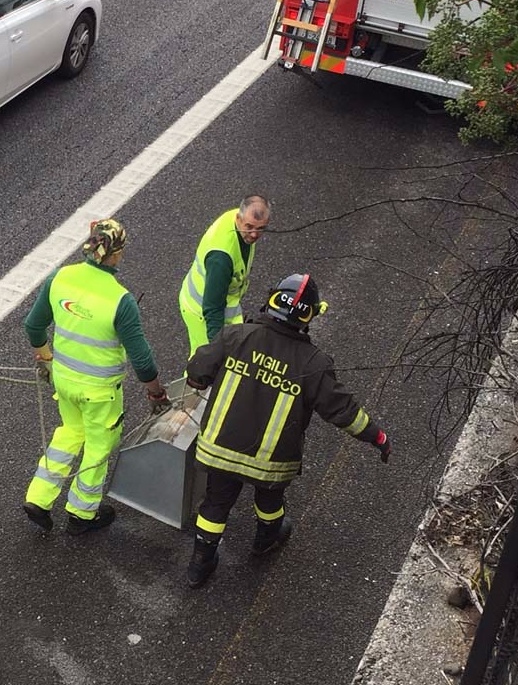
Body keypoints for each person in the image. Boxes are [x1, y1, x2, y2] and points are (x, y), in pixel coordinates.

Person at [183, 273, 392, 588]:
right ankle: (267, 537)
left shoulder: (236, 335)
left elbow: (197, 374)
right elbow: (344, 412)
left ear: (270, 302)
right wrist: (378, 437)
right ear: (308, 317)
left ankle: (200, 564)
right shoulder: (314, 363)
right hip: (271, 463)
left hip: (219, 450)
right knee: (269, 501)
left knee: (215, 503)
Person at [23, 218, 167, 535]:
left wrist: (45, 358)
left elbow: (33, 326)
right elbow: (142, 361)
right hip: (100, 393)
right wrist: (156, 392)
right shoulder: (120, 300)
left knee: (70, 433)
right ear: (117, 253)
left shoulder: (61, 278)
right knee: (99, 446)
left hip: (64, 381)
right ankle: (82, 512)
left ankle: (39, 497)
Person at [179, 194, 272, 356]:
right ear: (238, 218)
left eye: (260, 228)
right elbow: (213, 308)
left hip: (217, 301)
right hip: (200, 310)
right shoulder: (221, 258)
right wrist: (217, 347)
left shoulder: (242, 221)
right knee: (203, 363)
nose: (254, 234)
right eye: (249, 227)